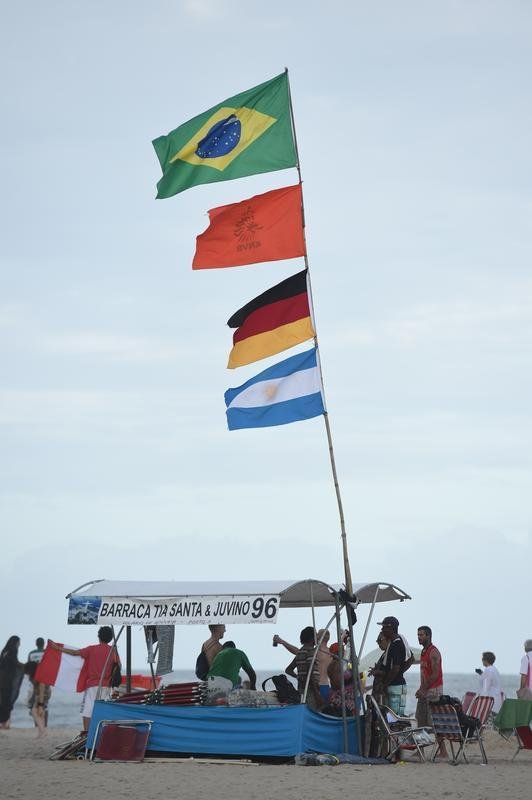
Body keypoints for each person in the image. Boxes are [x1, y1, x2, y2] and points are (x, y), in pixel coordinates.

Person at [50, 626, 120, 731]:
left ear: (99, 637)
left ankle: (86, 735)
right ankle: (101, 732)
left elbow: (75, 653)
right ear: (110, 638)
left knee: (87, 712)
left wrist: (58, 648)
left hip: (92, 686)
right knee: (103, 711)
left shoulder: (92, 649)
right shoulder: (113, 651)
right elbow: (118, 666)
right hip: (106, 687)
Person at [377, 616, 411, 715]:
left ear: (390, 629)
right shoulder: (394, 643)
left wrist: (385, 684)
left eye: (384, 627)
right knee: (390, 717)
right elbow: (410, 659)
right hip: (394, 685)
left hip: (396, 686)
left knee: (395, 717)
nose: (382, 630)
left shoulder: (397, 644)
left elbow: (396, 668)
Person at [285, 626, 322, 711]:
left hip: (301, 689)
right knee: (313, 713)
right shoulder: (310, 652)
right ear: (312, 638)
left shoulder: (300, 652)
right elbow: (311, 672)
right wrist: (317, 694)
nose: (318, 637)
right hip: (311, 690)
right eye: (316, 635)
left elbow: (288, 670)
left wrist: (299, 677)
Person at [0, 636, 24, 729]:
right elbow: (15, 663)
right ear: (15, 642)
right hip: (8, 680)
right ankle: (6, 723)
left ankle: (3, 723)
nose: (20, 644)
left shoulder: (4, 651)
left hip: (1, 680)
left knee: (2, 701)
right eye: (19, 642)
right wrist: (25, 666)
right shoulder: (13, 651)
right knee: (8, 701)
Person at [25, 661, 51, 737]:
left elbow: (42, 689)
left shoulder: (39, 675)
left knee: (34, 711)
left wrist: (40, 704)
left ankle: (42, 731)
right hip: (39, 693)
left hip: (43, 694)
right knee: (40, 713)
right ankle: (42, 732)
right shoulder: (34, 675)